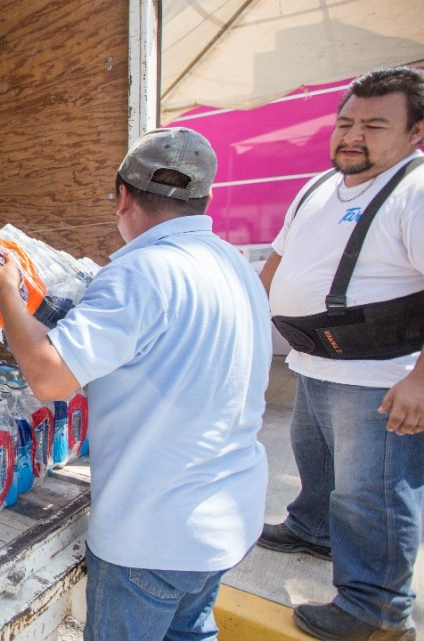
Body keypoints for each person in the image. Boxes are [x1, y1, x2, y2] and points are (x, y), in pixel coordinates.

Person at [0, 127, 272, 641]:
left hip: (154, 535)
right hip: (225, 518)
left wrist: (6, 295)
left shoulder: (142, 273)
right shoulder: (234, 265)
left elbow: (50, 378)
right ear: (203, 200)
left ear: (123, 195)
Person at [257, 67, 424, 641]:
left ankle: (376, 608)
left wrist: (421, 382)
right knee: (317, 461)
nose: (353, 136)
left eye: (375, 125)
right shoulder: (317, 187)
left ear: (415, 133)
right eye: (346, 122)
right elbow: (276, 264)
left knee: (371, 490)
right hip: (315, 360)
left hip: (381, 373)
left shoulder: (415, 191)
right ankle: (312, 528)